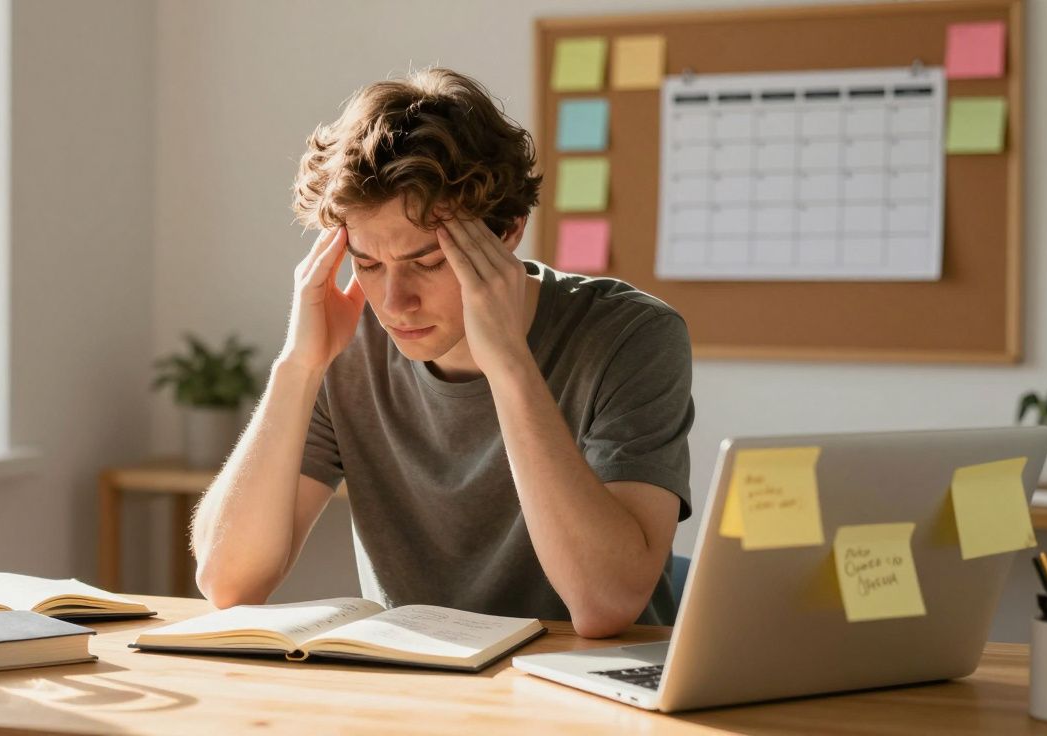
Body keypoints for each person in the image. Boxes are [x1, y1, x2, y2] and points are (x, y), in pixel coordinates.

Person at [190, 67, 693, 637]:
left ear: (507, 233)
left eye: (427, 262)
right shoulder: (348, 345)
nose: (395, 302)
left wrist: (508, 363)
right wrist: (297, 367)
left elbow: (605, 605)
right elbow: (228, 581)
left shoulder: (631, 337)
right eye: (368, 265)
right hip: (421, 696)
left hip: (586, 696)